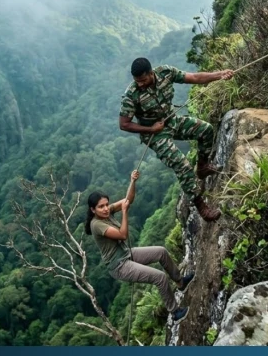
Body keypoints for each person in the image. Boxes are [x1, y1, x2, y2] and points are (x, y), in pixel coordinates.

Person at [119, 58, 234, 222]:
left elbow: (194, 78)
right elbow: (124, 124)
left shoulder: (165, 72)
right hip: (154, 134)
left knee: (206, 129)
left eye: (143, 80)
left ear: (152, 73)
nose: (141, 85)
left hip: (170, 120)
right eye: (137, 81)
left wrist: (219, 75)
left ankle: (202, 166)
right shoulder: (131, 94)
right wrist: (150, 129)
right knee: (182, 164)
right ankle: (200, 205)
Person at [86, 170, 193, 322]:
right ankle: (175, 312)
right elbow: (123, 235)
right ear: (93, 210)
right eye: (100, 207)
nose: (105, 209)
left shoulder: (107, 212)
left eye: (106, 205)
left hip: (126, 253)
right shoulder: (96, 224)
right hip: (119, 266)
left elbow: (128, 200)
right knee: (160, 277)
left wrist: (132, 181)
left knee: (161, 252)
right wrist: (124, 213)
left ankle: (180, 282)